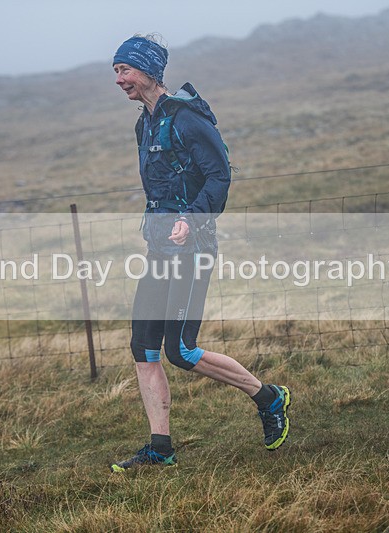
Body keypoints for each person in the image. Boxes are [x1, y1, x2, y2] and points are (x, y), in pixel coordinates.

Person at [110, 34, 290, 472]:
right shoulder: (145, 123)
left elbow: (219, 176)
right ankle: (161, 448)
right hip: (158, 249)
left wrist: (190, 219)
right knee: (143, 347)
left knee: (182, 351)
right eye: (116, 72)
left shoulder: (188, 119)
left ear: (149, 71)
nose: (119, 80)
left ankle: (268, 397)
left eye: (125, 70)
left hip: (194, 247)